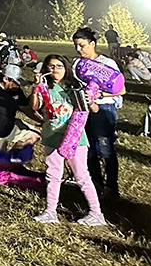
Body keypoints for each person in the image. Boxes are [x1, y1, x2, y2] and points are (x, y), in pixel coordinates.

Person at [31, 54, 105, 226]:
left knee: (82, 176)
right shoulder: (45, 88)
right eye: (51, 66)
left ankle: (96, 213)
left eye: (59, 66)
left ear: (66, 69)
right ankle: (50, 211)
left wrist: (90, 100)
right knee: (53, 175)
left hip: (75, 139)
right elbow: (34, 106)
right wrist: (36, 87)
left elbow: (94, 109)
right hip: (52, 137)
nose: (54, 69)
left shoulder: (75, 88)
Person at [72, 27, 124, 203]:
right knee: (89, 150)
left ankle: (112, 187)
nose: (79, 50)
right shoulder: (77, 65)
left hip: (104, 110)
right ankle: (95, 184)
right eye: (76, 46)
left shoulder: (107, 63)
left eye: (82, 45)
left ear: (92, 44)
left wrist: (100, 95)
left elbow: (121, 89)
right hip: (84, 110)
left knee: (106, 149)